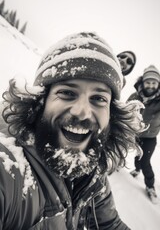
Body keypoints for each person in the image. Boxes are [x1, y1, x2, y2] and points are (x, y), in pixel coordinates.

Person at [0, 32, 145, 229]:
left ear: (111, 114)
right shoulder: (9, 170)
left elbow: (110, 224)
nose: (82, 112)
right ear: (39, 102)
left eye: (99, 98)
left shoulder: (94, 175)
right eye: (67, 93)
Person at [128, 65, 160, 203]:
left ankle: (150, 186)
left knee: (145, 161)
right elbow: (125, 110)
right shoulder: (135, 96)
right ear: (143, 82)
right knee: (137, 156)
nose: (151, 85)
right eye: (148, 82)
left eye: (154, 83)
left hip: (150, 137)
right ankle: (136, 169)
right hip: (135, 134)